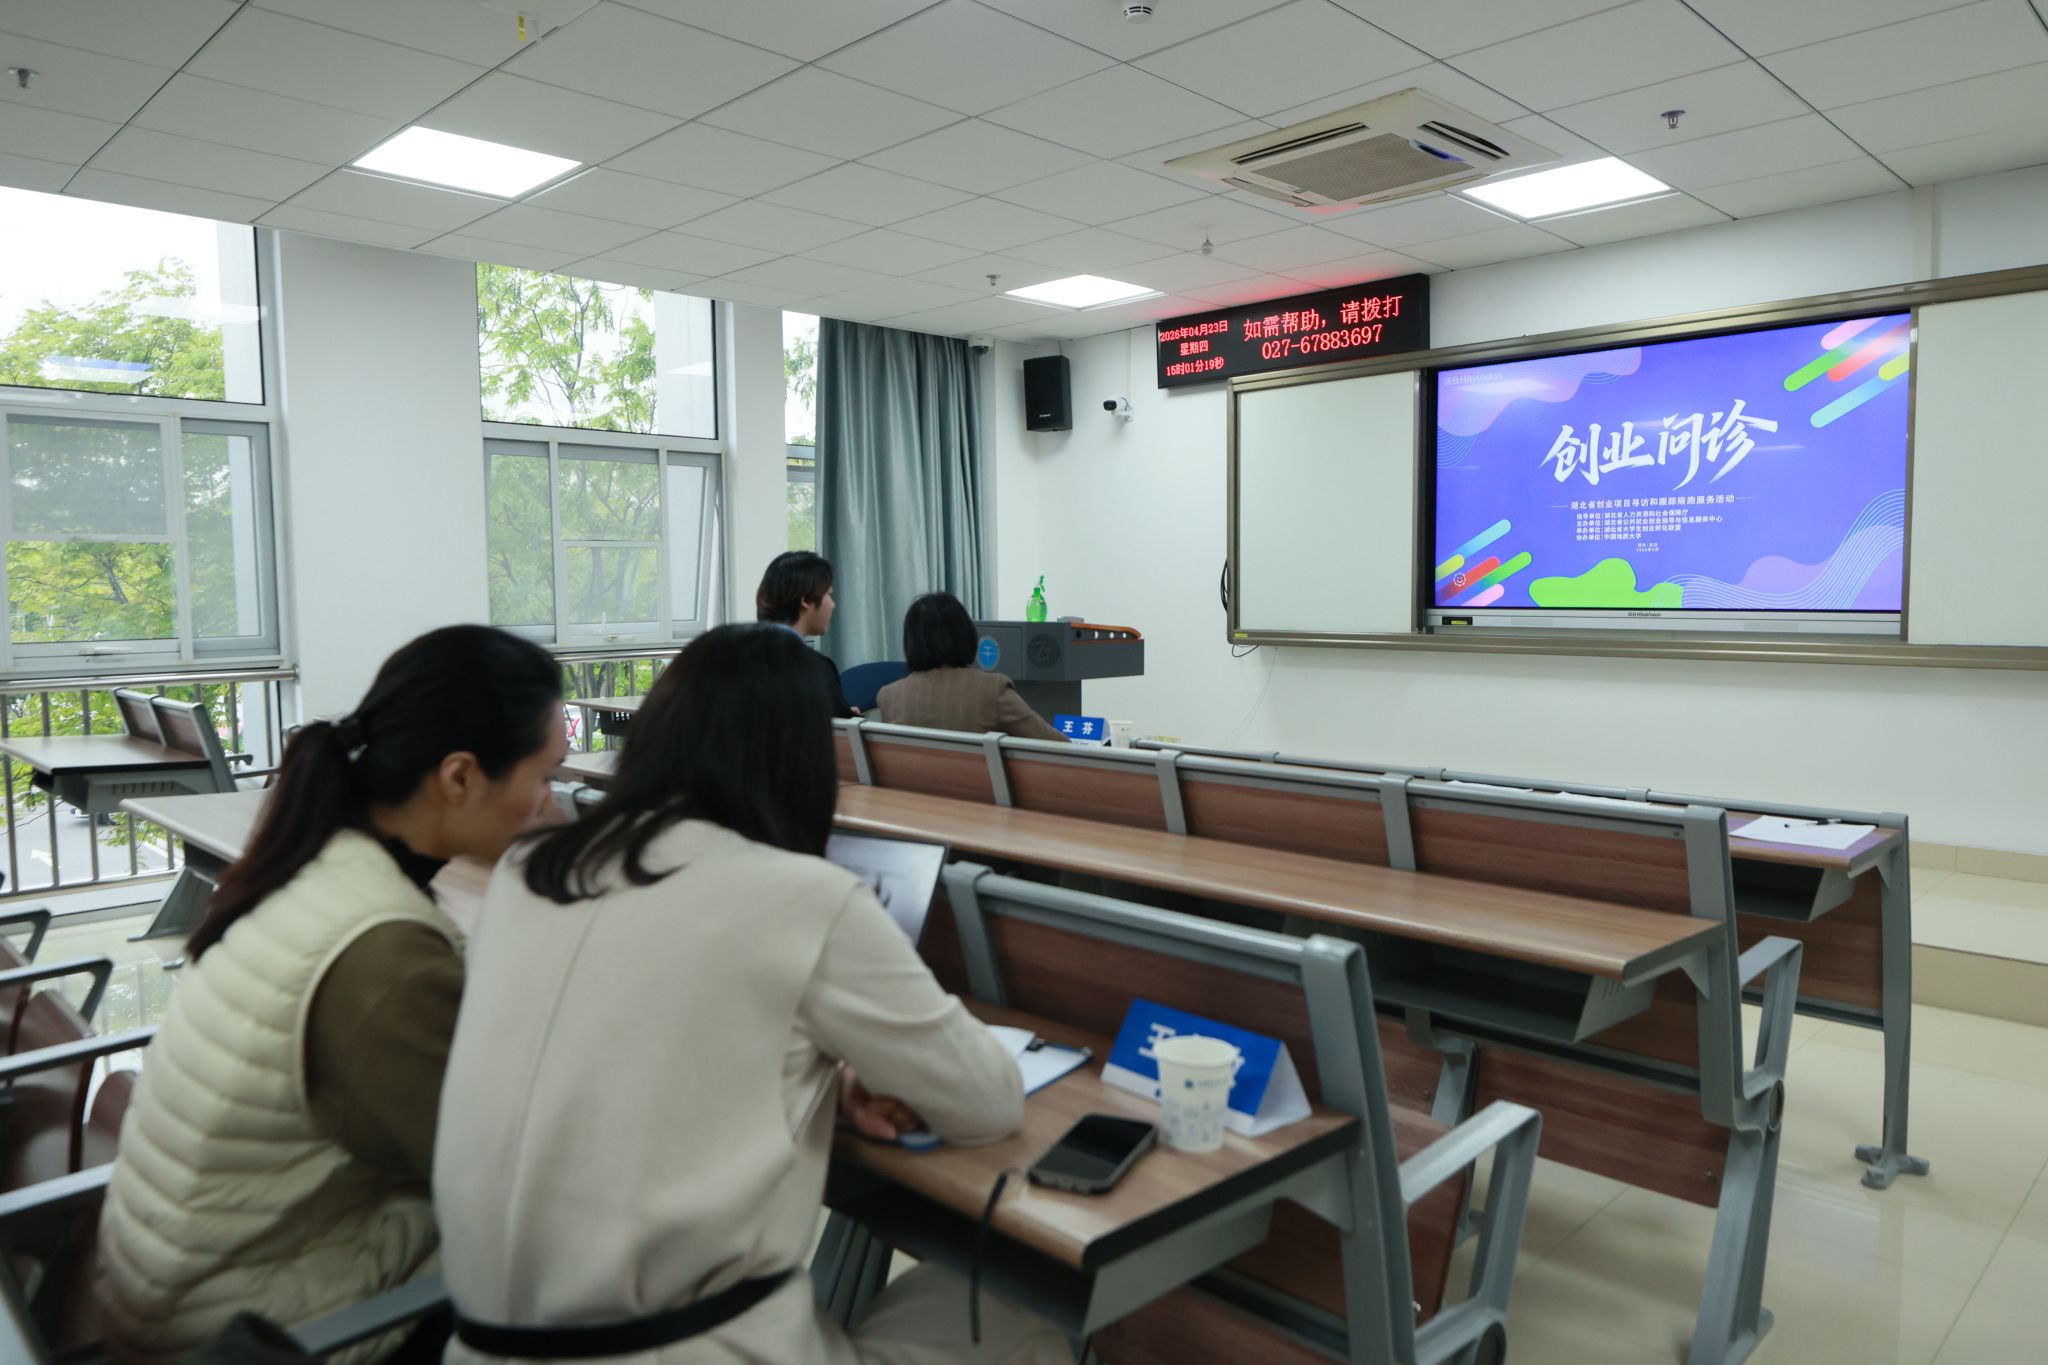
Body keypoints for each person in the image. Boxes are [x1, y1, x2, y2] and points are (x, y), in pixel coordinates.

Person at [434, 624, 1068, 1364]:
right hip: (676, 1351)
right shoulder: (801, 896)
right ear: (802, 760)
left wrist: (825, 1079)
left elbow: (638, 1036)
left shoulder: (530, 871)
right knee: (1022, 1302)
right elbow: (988, 1100)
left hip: (477, 1346)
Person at [95, 626, 568, 1365]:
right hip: (249, 1334)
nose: (555, 807)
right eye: (545, 777)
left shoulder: (320, 861)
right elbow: (500, 1177)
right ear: (459, 776)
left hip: (170, 1291)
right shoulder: (382, 949)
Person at [876, 592, 1068, 743]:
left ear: (910, 641)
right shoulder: (992, 690)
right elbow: (1056, 745)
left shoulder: (889, 697)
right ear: (965, 634)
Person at [756, 549, 855, 717]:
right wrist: (847, 716)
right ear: (805, 601)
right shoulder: (814, 667)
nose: (833, 605)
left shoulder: (733, 658)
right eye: (829, 594)